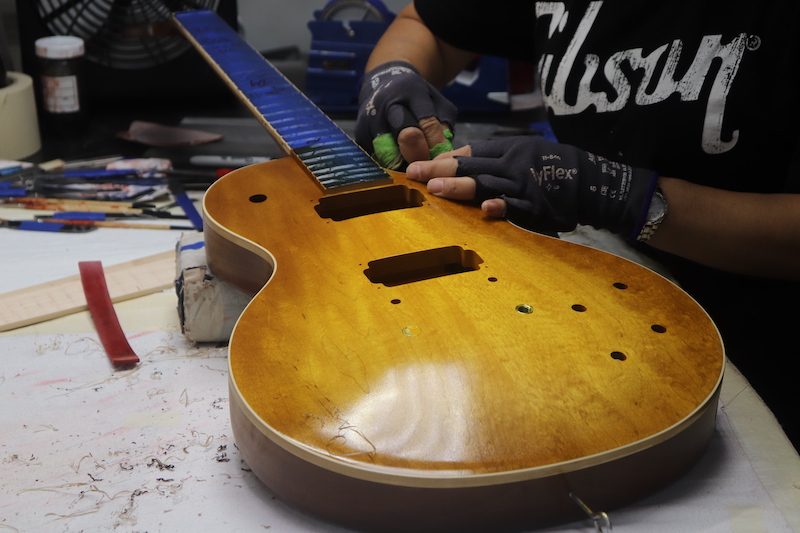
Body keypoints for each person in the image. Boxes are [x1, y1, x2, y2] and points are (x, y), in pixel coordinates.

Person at [355, 1, 800, 449]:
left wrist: (620, 194)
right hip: (606, 290)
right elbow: (426, 23)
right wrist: (393, 76)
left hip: (763, 345)